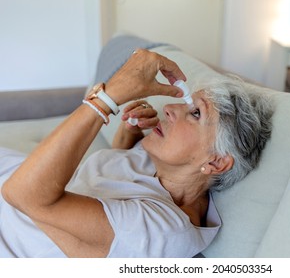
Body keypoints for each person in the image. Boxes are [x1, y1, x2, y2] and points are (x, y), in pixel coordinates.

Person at [0, 49, 272, 258]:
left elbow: (20, 195)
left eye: (196, 113)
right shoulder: (166, 165)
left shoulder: (161, 230)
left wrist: (108, 99)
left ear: (216, 161)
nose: (170, 108)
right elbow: (108, 187)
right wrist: (128, 135)